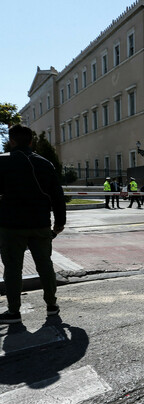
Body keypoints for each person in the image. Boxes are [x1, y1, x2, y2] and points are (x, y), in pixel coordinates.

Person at [0, 124, 66, 324]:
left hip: (11, 226)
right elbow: (57, 196)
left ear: (11, 141)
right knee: (45, 265)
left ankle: (13, 311)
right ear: (31, 141)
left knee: (12, 268)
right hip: (40, 224)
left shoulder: (2, 163)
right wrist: (59, 223)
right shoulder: (45, 164)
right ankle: (52, 305)